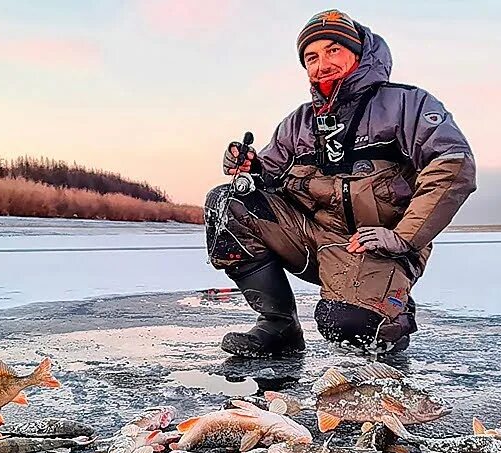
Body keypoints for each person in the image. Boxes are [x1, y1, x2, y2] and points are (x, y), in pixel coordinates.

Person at [204, 9, 476, 357]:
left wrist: (404, 238)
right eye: (311, 57)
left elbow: (455, 165)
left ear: (359, 53)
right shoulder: (299, 122)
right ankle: (279, 325)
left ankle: (389, 314)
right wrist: (249, 167)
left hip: (378, 246)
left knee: (350, 327)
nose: (322, 64)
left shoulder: (407, 104)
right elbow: (267, 180)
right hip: (314, 240)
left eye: (333, 50)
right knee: (228, 205)